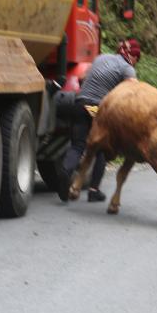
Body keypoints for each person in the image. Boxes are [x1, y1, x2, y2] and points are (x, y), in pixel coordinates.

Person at [57, 39, 141, 202]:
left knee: (78, 145)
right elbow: (135, 92)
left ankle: (65, 172)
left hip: (80, 104)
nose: (136, 62)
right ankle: (94, 190)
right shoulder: (127, 69)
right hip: (98, 111)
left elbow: (82, 77)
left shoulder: (101, 58)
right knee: (101, 149)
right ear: (133, 56)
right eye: (137, 58)